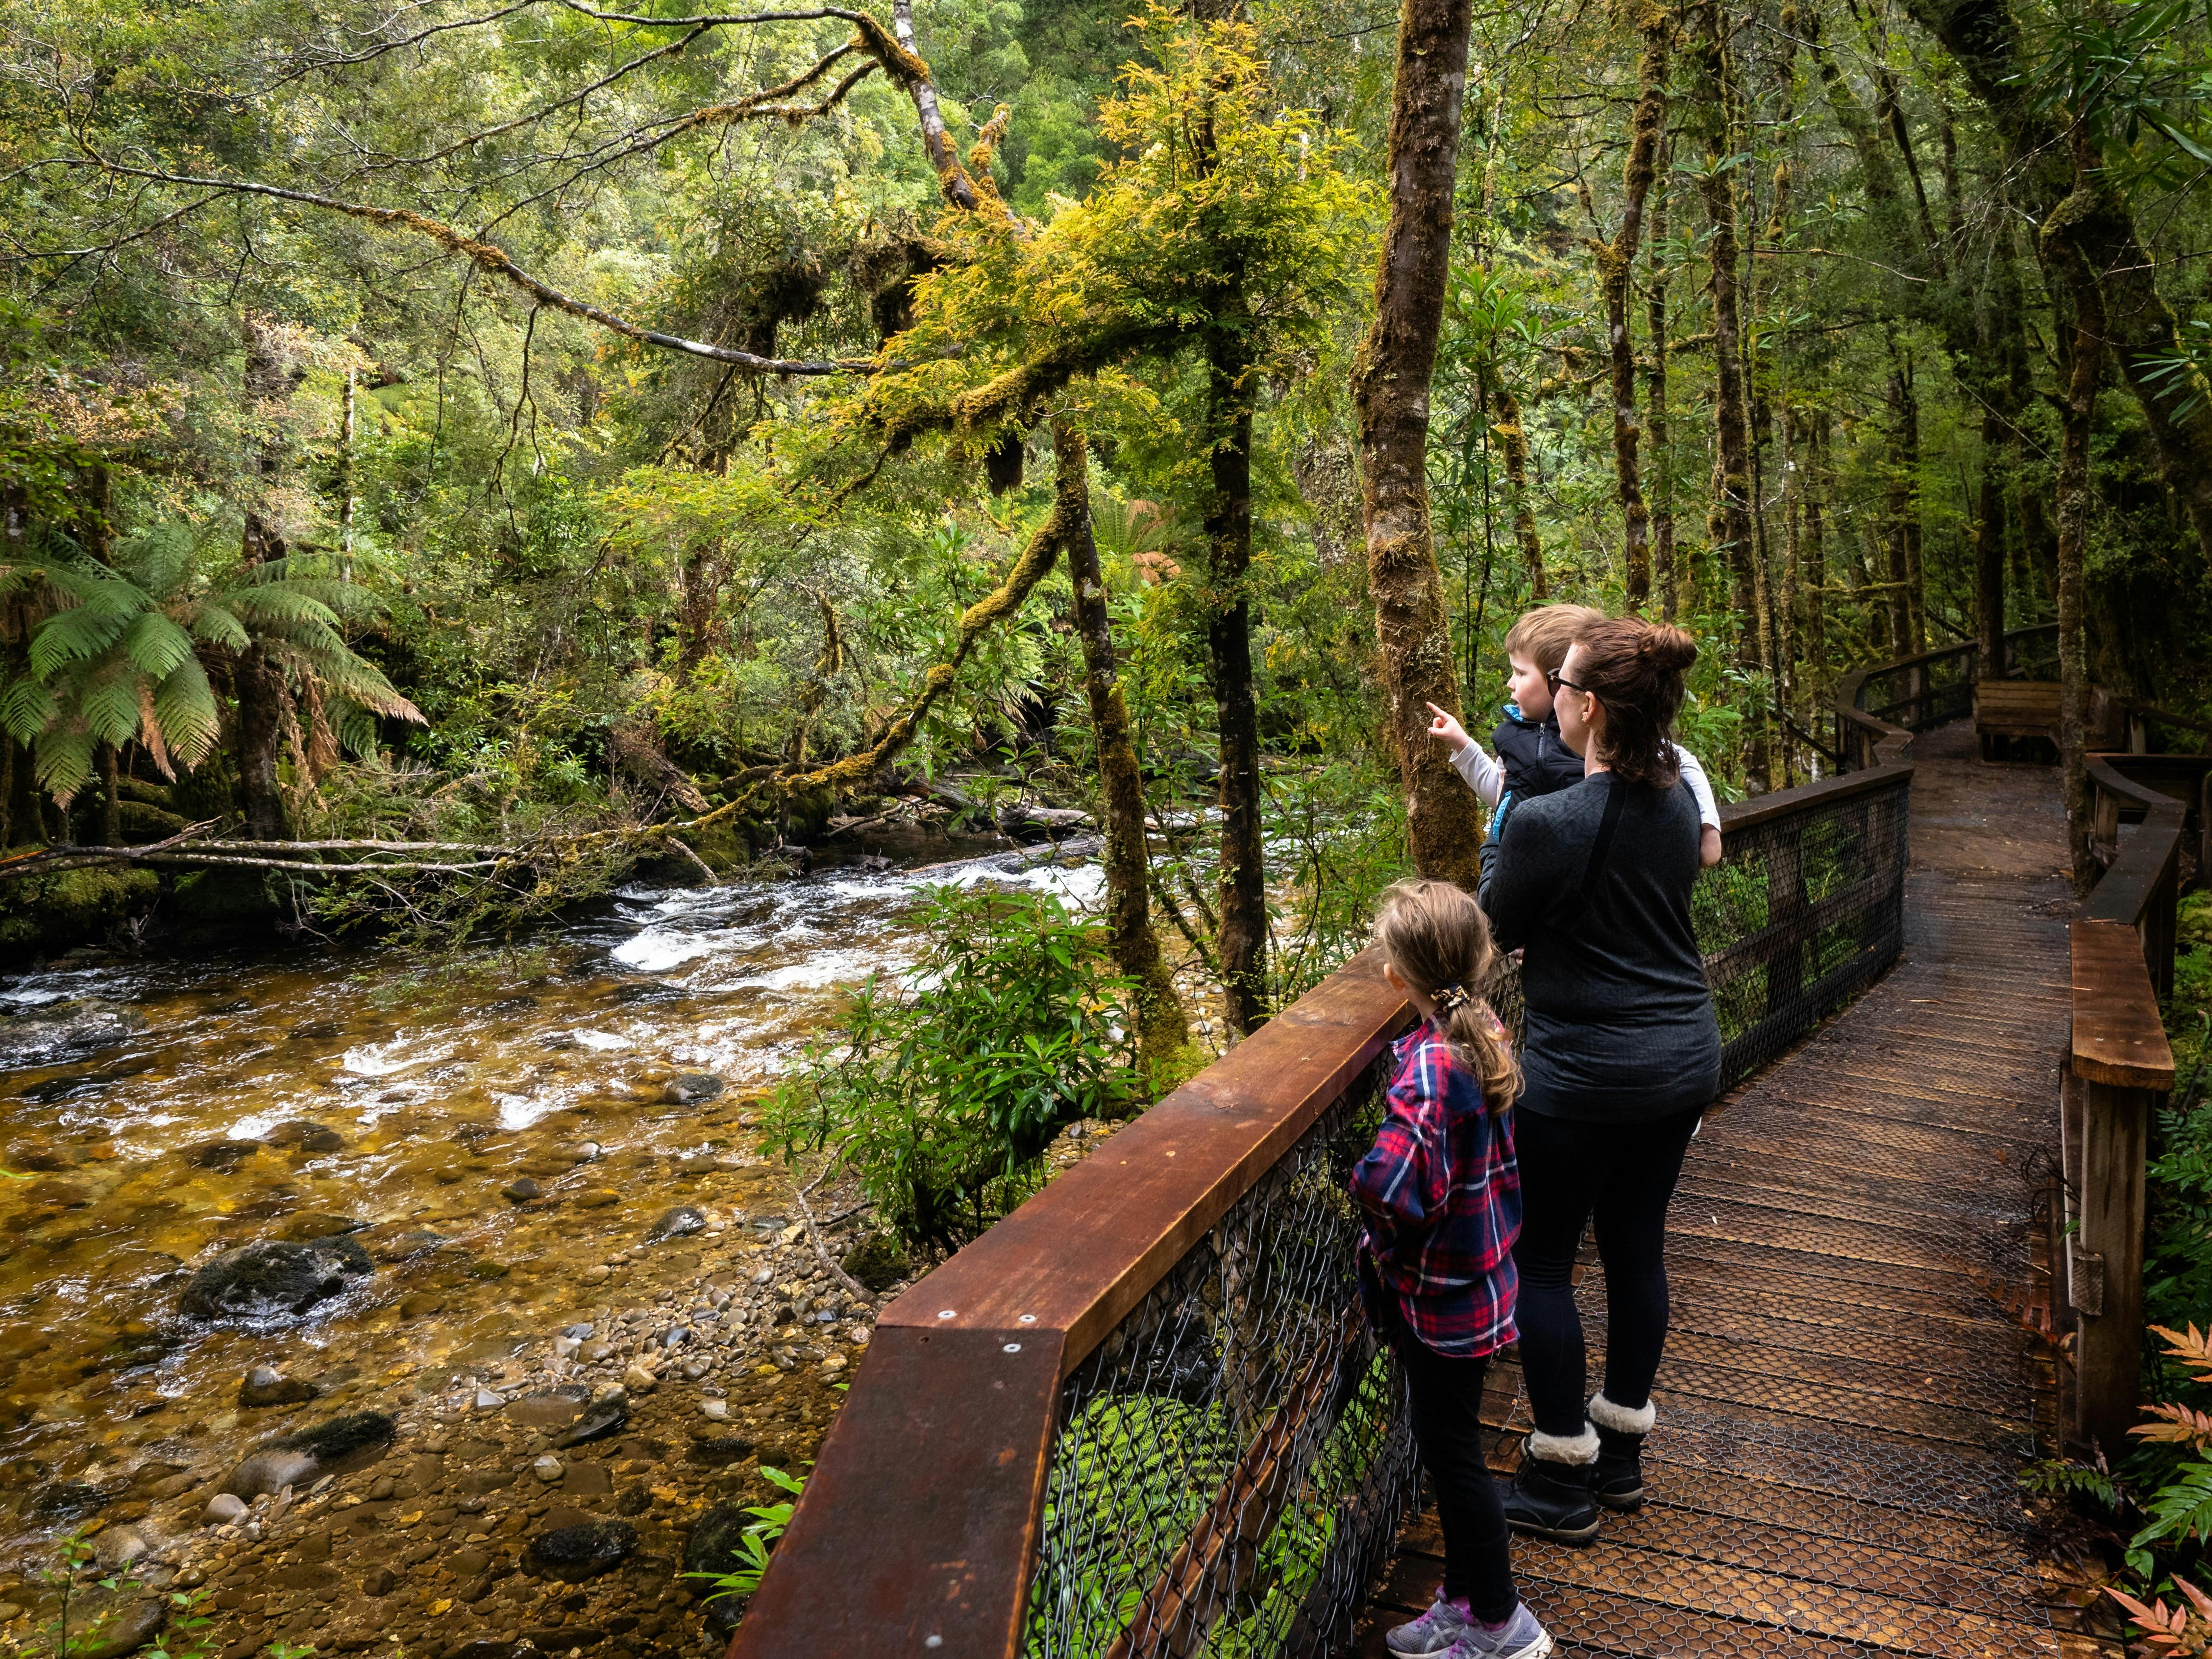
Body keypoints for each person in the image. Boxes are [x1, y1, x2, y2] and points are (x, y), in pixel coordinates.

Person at [1476, 619, 1721, 1545]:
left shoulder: (1548, 822)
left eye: (1561, 685)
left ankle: (1559, 1473)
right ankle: (1618, 1456)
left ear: (1582, 706)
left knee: (1541, 1261)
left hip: (1584, 1075)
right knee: (1632, 1244)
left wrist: (1500, 845)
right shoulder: (1673, 804)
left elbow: (1491, 927)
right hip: (1680, 1061)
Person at [1352, 881, 1553, 1659]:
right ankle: (1465, 1599)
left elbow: (1389, 1183)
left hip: (1440, 1301)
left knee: (1454, 1458)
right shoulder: (1483, 1031)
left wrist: (1356, 1179)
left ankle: (1503, 1622)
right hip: (1481, 1285)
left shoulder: (1433, 1068)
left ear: (1398, 979)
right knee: (1454, 1445)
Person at [1426, 603, 1722, 869]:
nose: (1509, 684)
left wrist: (1709, 830)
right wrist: (1463, 746)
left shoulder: (1596, 734)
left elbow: (1679, 759)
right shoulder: (1512, 735)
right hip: (1522, 866)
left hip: (1582, 868)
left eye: (1520, 673)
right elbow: (1504, 794)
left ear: (1559, 677)